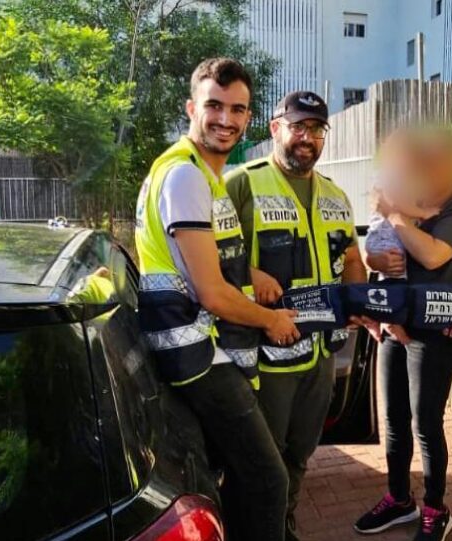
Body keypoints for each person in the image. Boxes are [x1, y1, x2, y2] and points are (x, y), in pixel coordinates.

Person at [134, 57, 300, 541]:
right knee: (268, 481)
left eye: (237, 109)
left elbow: (199, 258)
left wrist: (251, 273)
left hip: (202, 351)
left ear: (249, 117)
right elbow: (210, 291)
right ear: (192, 108)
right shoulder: (186, 176)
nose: (225, 119)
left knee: (234, 477)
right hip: (199, 355)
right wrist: (270, 320)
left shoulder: (201, 174)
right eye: (214, 106)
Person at [225, 90, 367, 541]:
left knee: (300, 454)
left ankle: (282, 525)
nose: (307, 137)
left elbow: (351, 257)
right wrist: (250, 273)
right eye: (298, 126)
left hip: (320, 356)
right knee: (259, 461)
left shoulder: (335, 194)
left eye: (317, 129)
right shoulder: (242, 184)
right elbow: (206, 257)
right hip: (266, 357)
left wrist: (357, 302)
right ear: (275, 129)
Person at [354, 129, 452, 541]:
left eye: (444, 159)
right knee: (393, 418)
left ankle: (435, 508)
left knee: (425, 422)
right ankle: (398, 499)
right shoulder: (415, 200)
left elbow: (431, 255)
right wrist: (378, 261)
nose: (434, 167)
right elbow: (377, 253)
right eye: (429, 160)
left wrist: (393, 213)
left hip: (435, 332)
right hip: (395, 324)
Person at [365, 129, 440, 280]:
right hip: (385, 236)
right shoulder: (388, 175)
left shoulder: (405, 178)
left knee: (396, 271)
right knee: (397, 268)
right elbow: (394, 202)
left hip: (389, 236)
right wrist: (423, 213)